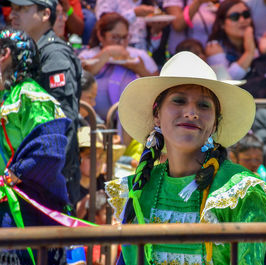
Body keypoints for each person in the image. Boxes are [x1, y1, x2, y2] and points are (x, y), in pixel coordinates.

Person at [107, 51, 266, 264]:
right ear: (156, 115)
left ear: (215, 123)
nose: (191, 112)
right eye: (179, 101)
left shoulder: (241, 191)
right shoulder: (139, 190)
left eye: (203, 105)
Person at [0, 28, 70, 265]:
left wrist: (12, 176)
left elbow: (49, 150)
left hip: (25, 206)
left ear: (5, 54)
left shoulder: (30, 96)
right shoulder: (5, 98)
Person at [7, 0, 83, 205]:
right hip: (26, 176)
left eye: (22, 9)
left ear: (45, 14)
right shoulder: (28, 54)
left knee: (49, 237)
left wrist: (45, 175)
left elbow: (61, 124)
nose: (12, 15)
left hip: (48, 181)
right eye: (12, 9)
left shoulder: (54, 55)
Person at [80, 12, 158, 123]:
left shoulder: (139, 55)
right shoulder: (87, 56)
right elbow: (82, 78)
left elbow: (157, 86)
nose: (121, 43)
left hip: (133, 120)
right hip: (93, 121)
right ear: (101, 36)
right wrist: (106, 54)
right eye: (115, 37)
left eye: (125, 37)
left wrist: (139, 68)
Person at [206, 0, 266, 98]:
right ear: (222, 24)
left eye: (246, 14)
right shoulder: (214, 47)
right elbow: (223, 83)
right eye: (235, 17)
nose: (242, 20)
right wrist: (249, 53)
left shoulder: (259, 42)